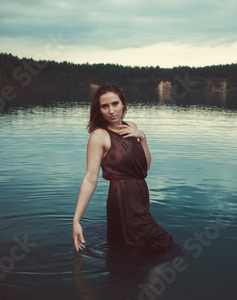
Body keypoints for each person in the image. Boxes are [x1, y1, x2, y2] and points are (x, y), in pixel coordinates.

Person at [72, 83, 176, 256]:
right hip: (122, 197)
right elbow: (90, 178)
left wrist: (143, 137)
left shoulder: (131, 126)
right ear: (99, 110)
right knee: (163, 242)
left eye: (115, 104)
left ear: (123, 105)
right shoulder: (99, 136)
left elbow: (145, 167)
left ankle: (126, 278)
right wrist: (76, 220)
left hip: (140, 196)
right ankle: (146, 281)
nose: (111, 110)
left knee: (129, 247)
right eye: (105, 106)